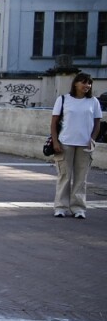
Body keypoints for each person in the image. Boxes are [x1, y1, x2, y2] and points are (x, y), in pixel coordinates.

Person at [51, 72, 101, 219]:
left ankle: (78, 208)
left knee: (81, 178)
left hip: (85, 144)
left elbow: (97, 123)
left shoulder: (93, 101)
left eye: (89, 83)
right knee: (64, 176)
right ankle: (60, 207)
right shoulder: (63, 99)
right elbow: (54, 122)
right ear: (75, 84)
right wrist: (55, 141)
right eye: (84, 82)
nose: (87, 86)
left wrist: (92, 139)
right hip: (65, 143)